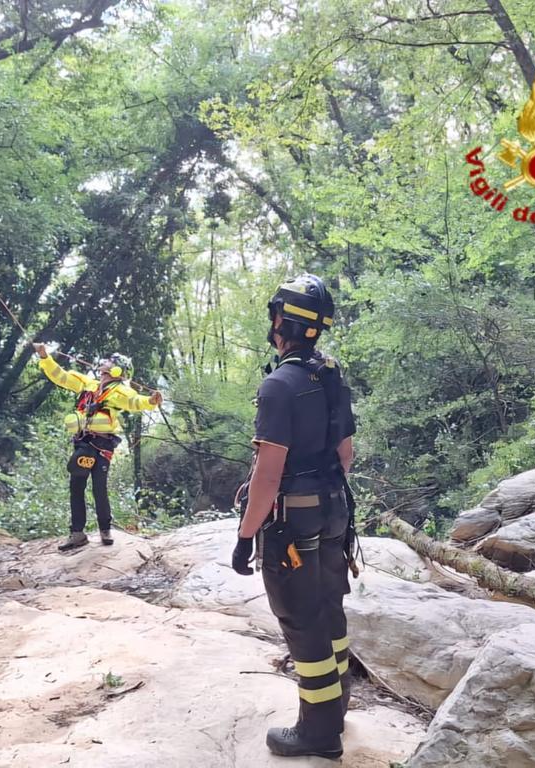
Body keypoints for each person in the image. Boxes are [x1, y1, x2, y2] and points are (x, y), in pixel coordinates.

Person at [231, 274, 356, 759]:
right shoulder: (330, 374)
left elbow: (268, 474)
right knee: (329, 608)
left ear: (281, 320)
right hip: (335, 510)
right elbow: (344, 454)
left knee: (302, 620)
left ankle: (319, 733)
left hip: (293, 522)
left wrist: (245, 537)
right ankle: (337, 705)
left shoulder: (279, 385)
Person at [33, 343, 163, 551]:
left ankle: (105, 530)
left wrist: (151, 401)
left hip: (103, 445)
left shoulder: (120, 391)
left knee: (99, 486)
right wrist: (44, 356)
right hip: (84, 442)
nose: (103, 365)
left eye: (109, 363)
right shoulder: (88, 384)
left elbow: (135, 402)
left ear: (117, 370)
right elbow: (62, 376)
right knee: (76, 485)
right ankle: (77, 533)